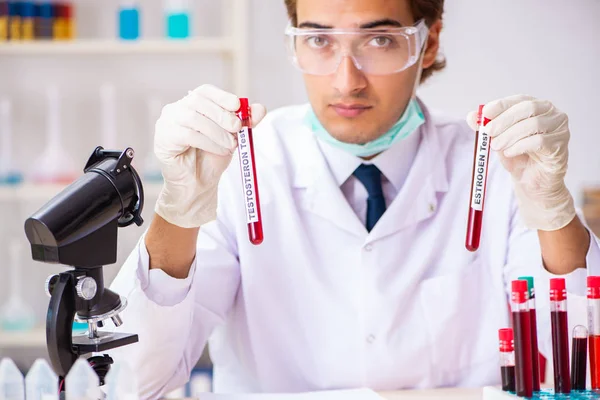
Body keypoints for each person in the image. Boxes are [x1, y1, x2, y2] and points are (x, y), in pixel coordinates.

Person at [109, 0, 600, 398]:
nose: (347, 80)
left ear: (428, 42)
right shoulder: (240, 165)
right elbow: (138, 382)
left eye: (380, 39)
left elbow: (570, 373)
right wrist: (178, 209)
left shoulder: (495, 163)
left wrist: (553, 211)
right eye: (318, 40)